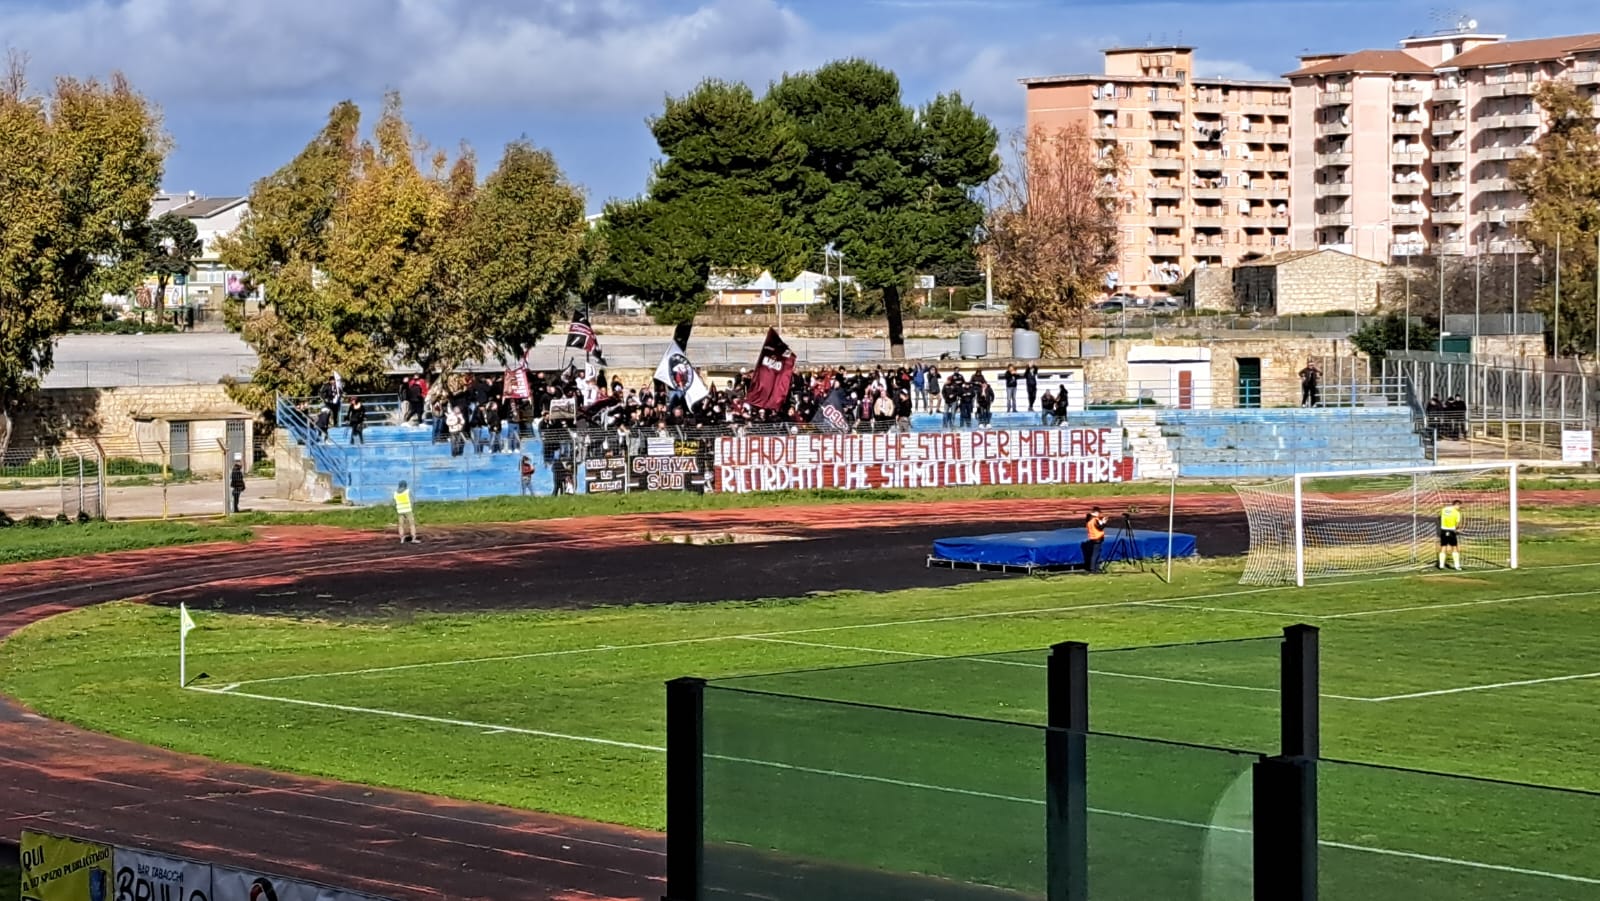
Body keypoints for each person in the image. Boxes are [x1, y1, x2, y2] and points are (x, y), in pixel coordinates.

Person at [1081, 506, 1107, 574]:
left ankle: (1096, 568)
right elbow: (1100, 527)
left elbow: (1095, 527)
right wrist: (1104, 522)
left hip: (1092, 538)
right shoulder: (1095, 520)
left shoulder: (1089, 520)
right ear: (1096, 512)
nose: (1099, 514)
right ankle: (1093, 569)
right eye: (1098, 513)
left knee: (1096, 554)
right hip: (1097, 538)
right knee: (1095, 554)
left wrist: (1101, 522)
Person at [1438, 499, 1462, 570]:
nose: (1459, 508)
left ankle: (1441, 565)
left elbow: (1440, 517)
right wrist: (1457, 529)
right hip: (1451, 530)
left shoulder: (1444, 509)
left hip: (1443, 530)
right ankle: (1457, 566)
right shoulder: (1457, 513)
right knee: (1454, 547)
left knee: (1443, 547)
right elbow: (1457, 523)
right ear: (1456, 505)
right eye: (1459, 506)